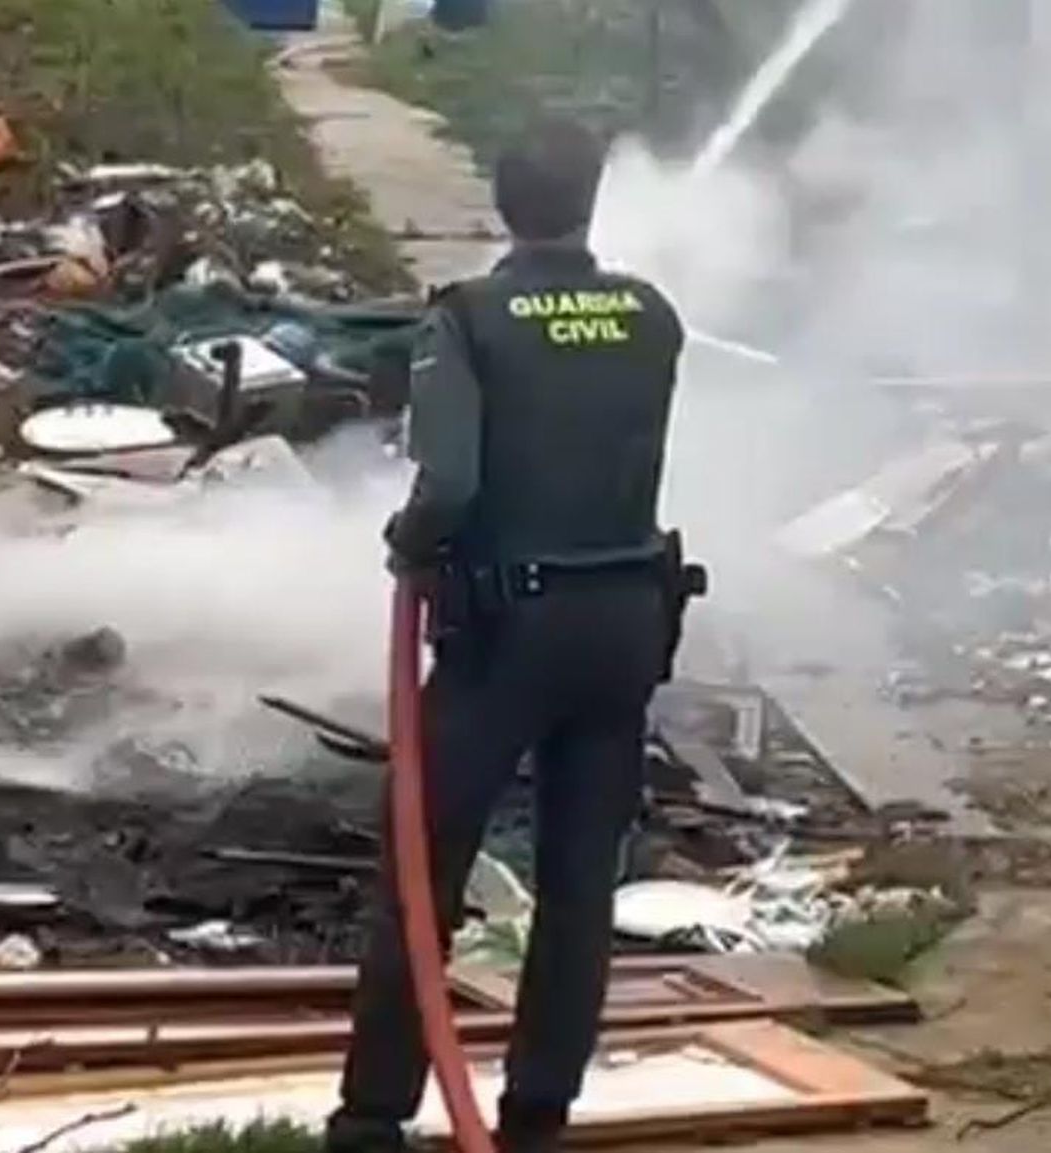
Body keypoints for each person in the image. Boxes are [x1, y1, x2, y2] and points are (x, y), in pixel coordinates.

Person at [325, 116, 690, 1153]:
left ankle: (372, 1116)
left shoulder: (469, 319)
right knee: (580, 884)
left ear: (501, 201)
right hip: (627, 625)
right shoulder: (651, 315)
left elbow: (449, 483)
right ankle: (537, 1114)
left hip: (507, 632)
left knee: (422, 868)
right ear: (592, 198)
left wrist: (409, 543)